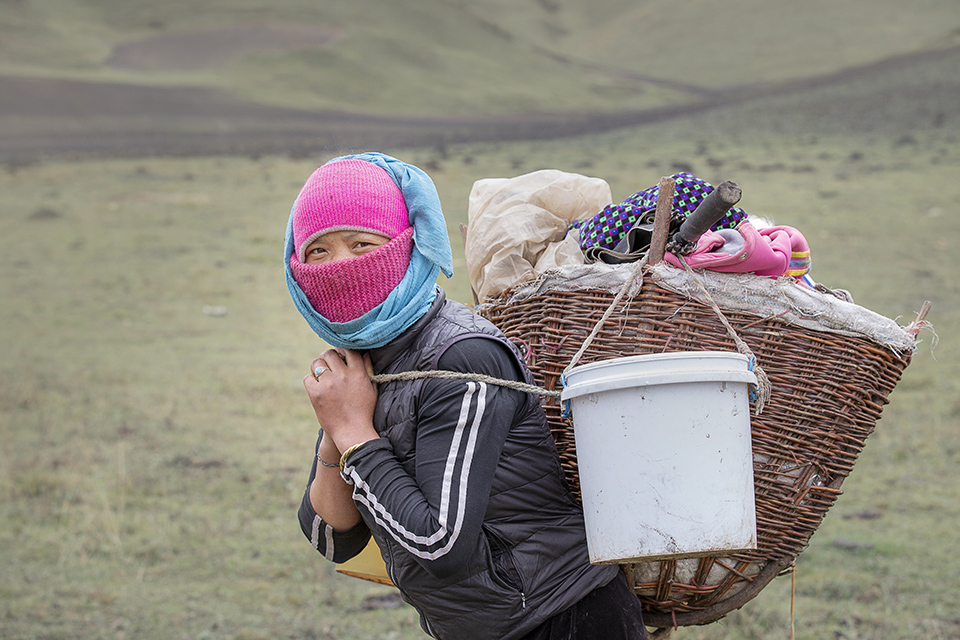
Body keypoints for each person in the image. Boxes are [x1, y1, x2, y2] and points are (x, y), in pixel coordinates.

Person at [286, 152, 649, 640]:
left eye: (362, 243)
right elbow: (331, 538)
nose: (342, 267)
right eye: (318, 252)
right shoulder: (363, 359)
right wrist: (337, 430)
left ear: (405, 245)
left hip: (564, 620)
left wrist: (353, 431)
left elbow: (441, 545)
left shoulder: (462, 356)